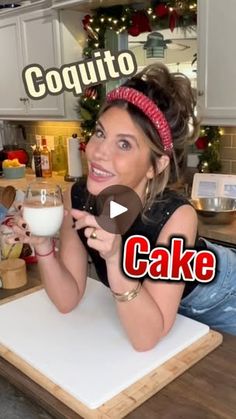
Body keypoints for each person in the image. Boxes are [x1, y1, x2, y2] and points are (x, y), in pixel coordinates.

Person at [10, 63, 236, 351]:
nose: (99, 152)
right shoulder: (77, 197)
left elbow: (146, 339)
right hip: (160, 309)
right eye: (101, 133)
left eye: (125, 145)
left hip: (223, 294)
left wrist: (116, 261)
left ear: (157, 165)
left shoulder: (176, 215)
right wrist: (43, 247)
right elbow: (67, 300)